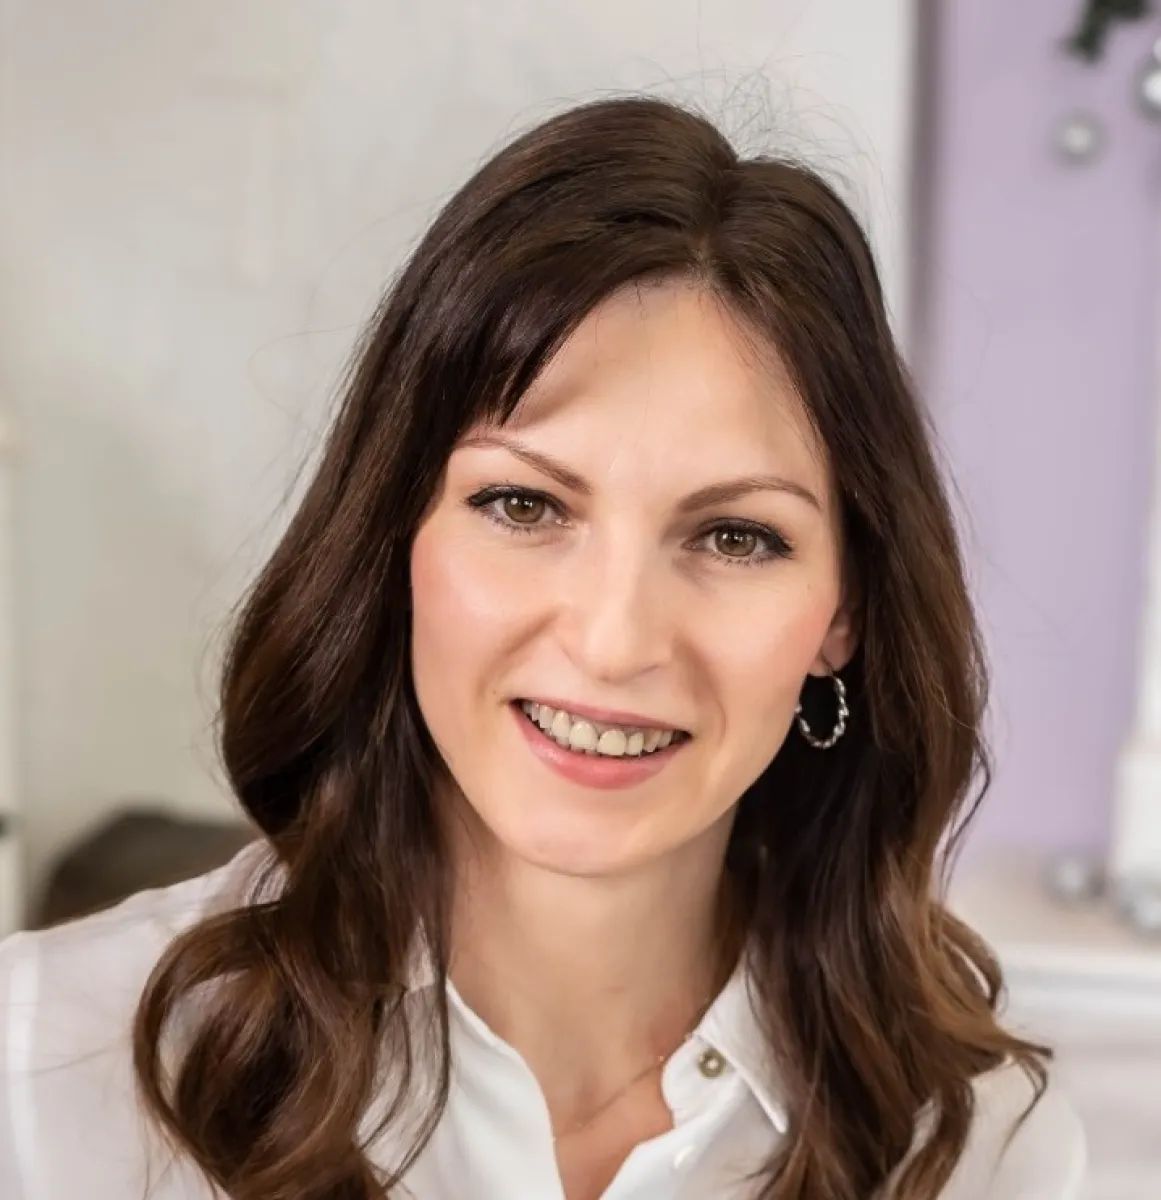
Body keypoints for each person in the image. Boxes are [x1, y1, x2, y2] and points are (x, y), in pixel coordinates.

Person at [0, 95, 1085, 1200]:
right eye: (524, 505)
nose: (613, 642)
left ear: (843, 613)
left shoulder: (983, 1149)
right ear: (394, 536)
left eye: (735, 535)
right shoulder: (39, 1085)